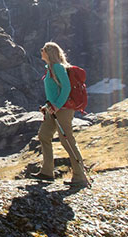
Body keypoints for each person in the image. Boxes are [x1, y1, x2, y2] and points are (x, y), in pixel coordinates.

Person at [31, 41, 88, 186]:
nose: (41, 51)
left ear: (49, 52)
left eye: (43, 49)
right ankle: (47, 172)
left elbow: (66, 88)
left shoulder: (57, 67)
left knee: (67, 140)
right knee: (44, 135)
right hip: (53, 109)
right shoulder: (50, 68)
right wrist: (47, 106)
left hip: (62, 110)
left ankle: (80, 176)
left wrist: (56, 105)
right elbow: (54, 91)